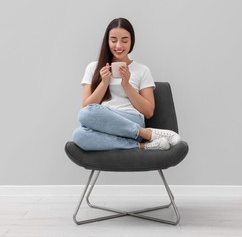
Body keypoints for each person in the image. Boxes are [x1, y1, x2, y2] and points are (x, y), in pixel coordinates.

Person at [72, 17, 181, 151]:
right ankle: (143, 144)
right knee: (79, 134)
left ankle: (146, 133)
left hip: (132, 120)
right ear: (107, 41)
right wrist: (104, 82)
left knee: (85, 114)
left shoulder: (142, 70)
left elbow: (148, 112)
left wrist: (126, 85)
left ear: (131, 42)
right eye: (113, 40)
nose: (118, 46)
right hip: (105, 124)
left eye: (124, 40)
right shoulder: (93, 68)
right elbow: (87, 107)